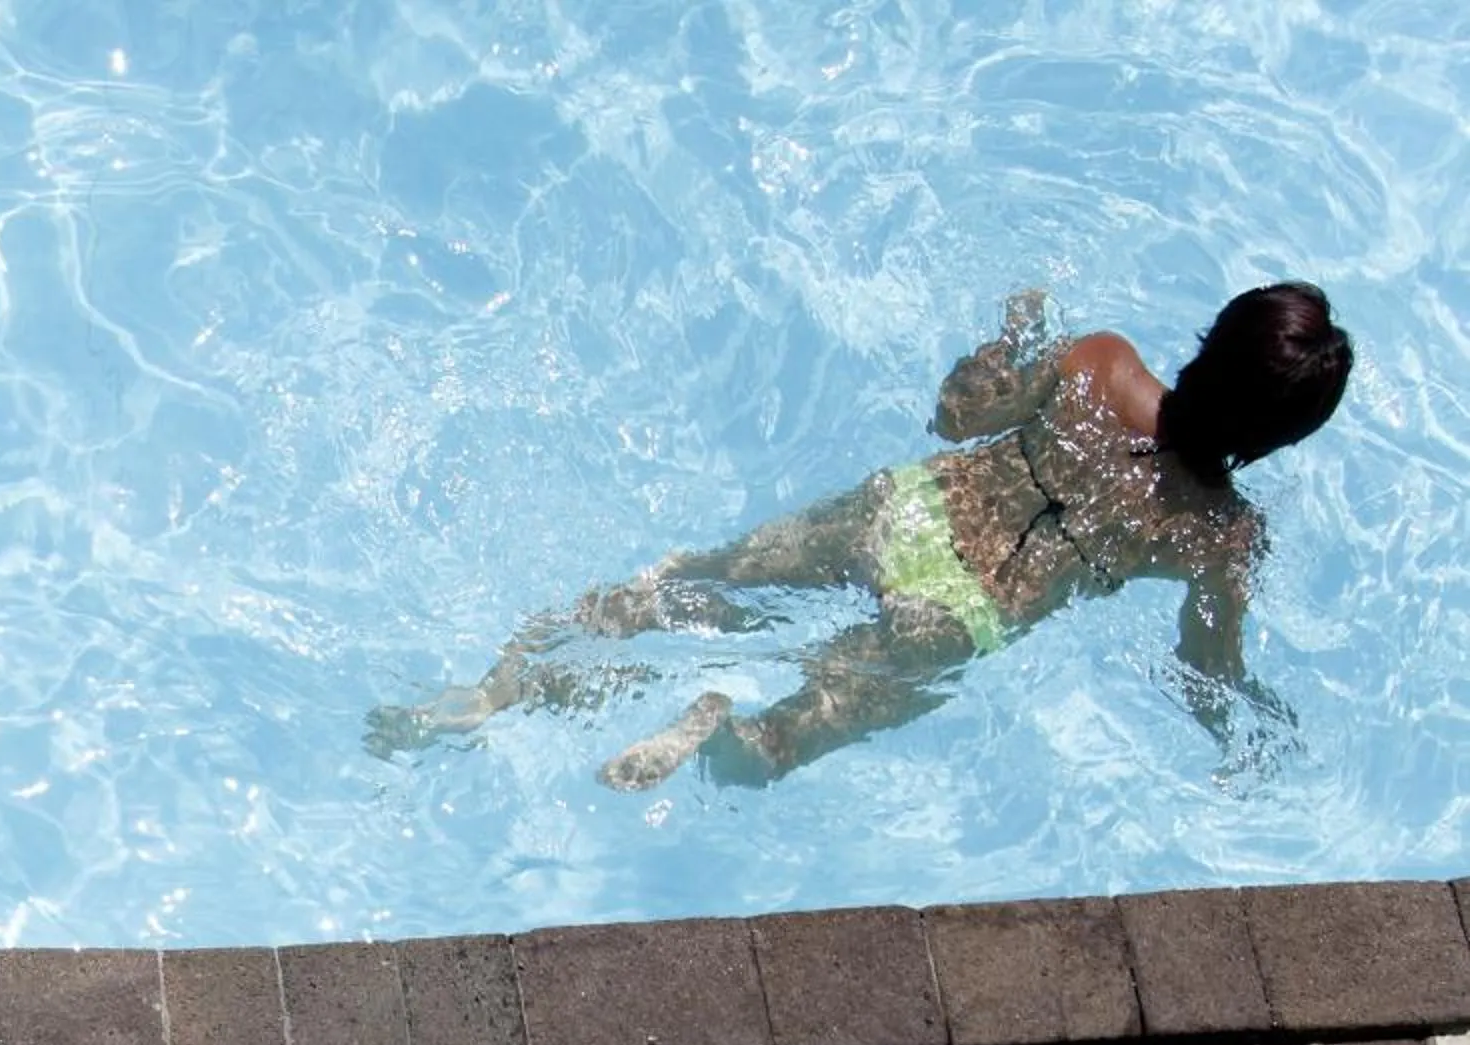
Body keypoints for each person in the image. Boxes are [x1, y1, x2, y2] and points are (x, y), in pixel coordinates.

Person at [364, 283, 1355, 788]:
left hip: (905, 513)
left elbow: (956, 417)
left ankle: (486, 696)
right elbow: (1203, 664)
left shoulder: (1100, 366)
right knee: (770, 749)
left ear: (1208, 340)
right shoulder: (1221, 537)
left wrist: (1012, 336)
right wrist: (1246, 727)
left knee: (686, 583)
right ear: (1280, 437)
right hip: (961, 613)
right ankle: (716, 717)